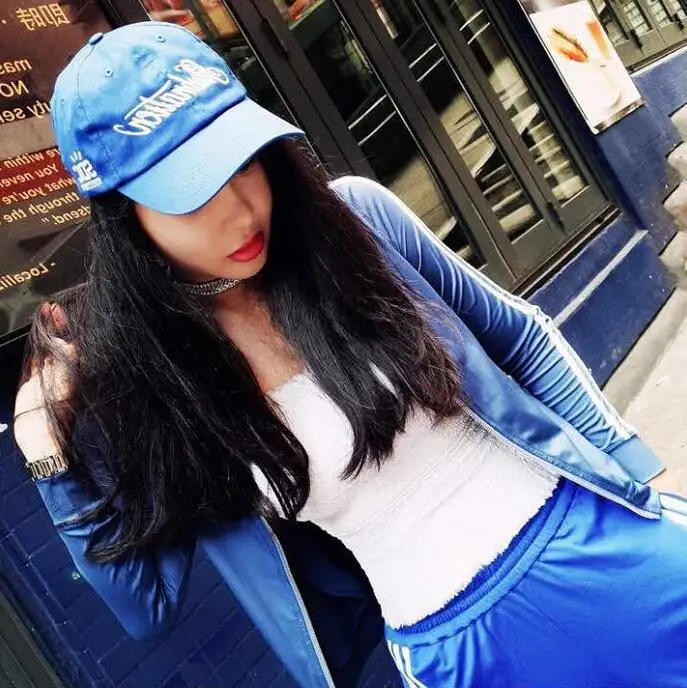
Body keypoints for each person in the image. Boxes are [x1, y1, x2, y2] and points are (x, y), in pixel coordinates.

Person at [12, 21, 687, 688]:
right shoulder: (155, 378)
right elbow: (145, 606)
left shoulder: (355, 223)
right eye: (193, 193)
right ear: (123, 216)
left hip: (606, 546)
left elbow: (520, 337)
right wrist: (47, 455)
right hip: (460, 655)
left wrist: (637, 477)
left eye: (242, 163)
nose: (242, 212)